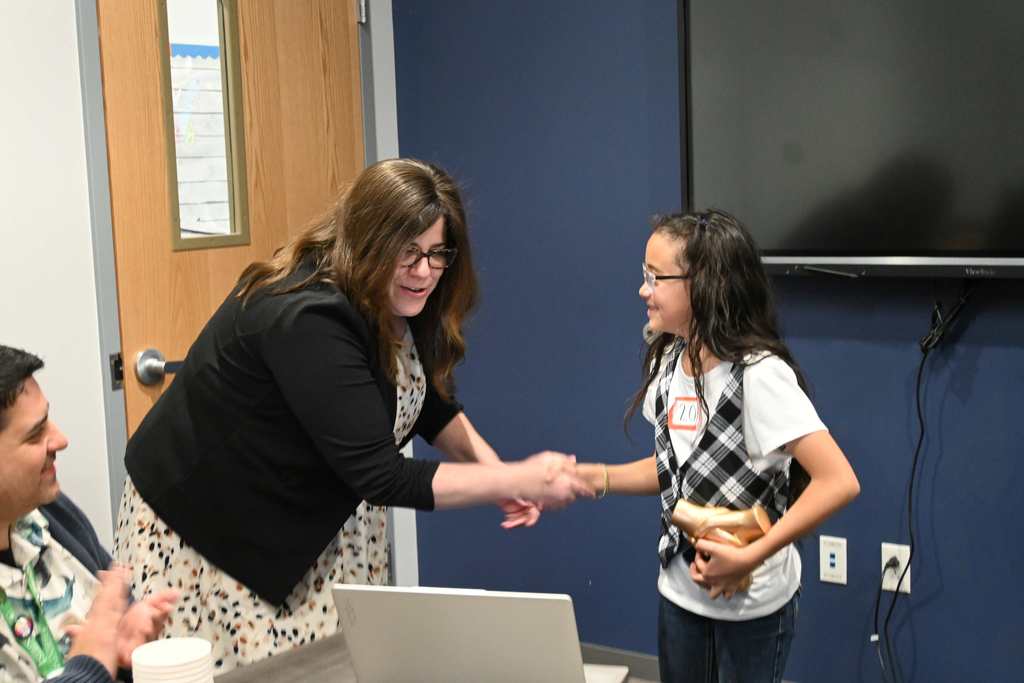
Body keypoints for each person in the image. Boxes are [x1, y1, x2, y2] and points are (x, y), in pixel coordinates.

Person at [113, 158, 593, 673]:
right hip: (214, 536)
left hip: (306, 521)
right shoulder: (308, 313)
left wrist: (494, 471)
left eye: (437, 254)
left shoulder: (396, 297)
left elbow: (425, 403)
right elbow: (380, 475)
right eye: (407, 253)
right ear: (369, 241)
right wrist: (520, 476)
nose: (425, 271)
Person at [578, 210, 860, 683]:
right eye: (643, 276)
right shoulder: (671, 360)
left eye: (655, 277)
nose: (642, 290)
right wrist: (599, 478)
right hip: (680, 595)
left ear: (705, 283)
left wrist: (751, 556)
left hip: (753, 609)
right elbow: (677, 468)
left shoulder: (760, 376)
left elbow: (839, 481)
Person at [0, 345, 177, 682]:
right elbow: (93, 659)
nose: (61, 440)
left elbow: (112, 629)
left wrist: (124, 650)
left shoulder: (50, 516)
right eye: (36, 434)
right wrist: (92, 664)